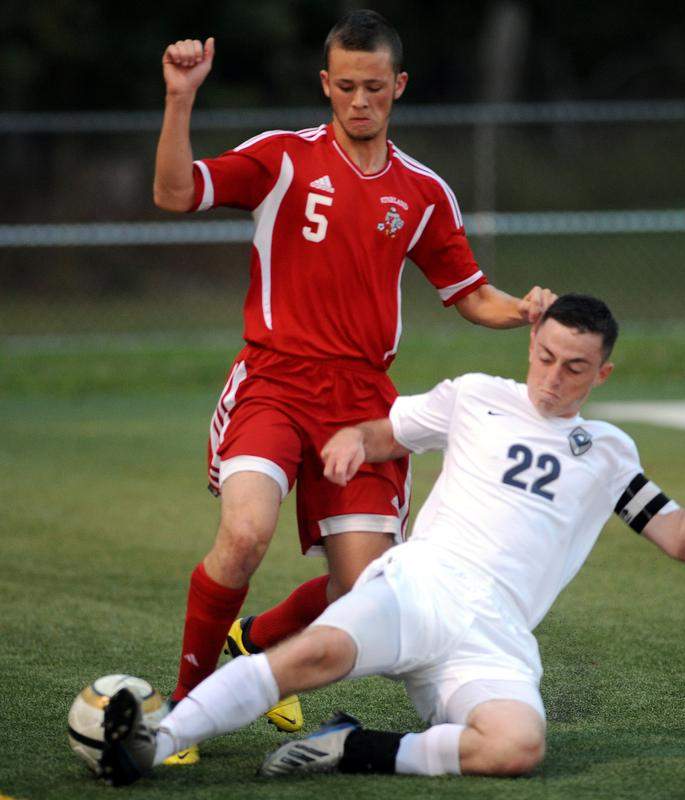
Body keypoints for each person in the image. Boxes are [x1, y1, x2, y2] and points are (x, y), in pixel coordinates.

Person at [99, 293, 685, 785]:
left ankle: (354, 749)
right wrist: (351, 439)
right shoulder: (474, 394)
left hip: (496, 634)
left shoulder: (608, 452)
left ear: (602, 375)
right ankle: (157, 742)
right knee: (315, 654)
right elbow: (384, 432)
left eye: (574, 367)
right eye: (544, 357)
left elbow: (681, 540)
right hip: (418, 586)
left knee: (516, 748)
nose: (552, 376)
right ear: (529, 345)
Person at [154, 8, 550, 756]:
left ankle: (254, 640)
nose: (359, 100)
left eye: (374, 87)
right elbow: (176, 194)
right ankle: (185, 705)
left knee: (359, 596)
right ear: (325, 86)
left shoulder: (423, 191)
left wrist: (522, 310)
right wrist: (180, 98)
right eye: (344, 87)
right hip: (273, 381)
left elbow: (468, 292)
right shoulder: (282, 159)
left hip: (363, 405)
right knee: (242, 537)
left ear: (397, 86)